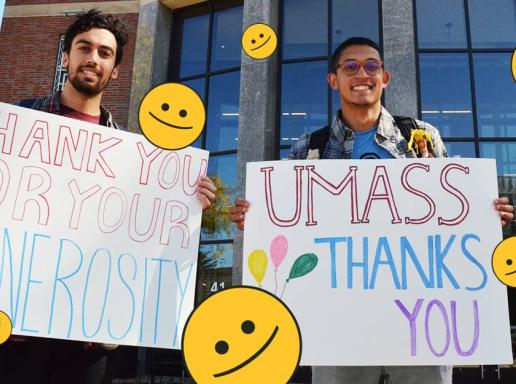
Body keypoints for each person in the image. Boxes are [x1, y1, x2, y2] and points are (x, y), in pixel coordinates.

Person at [230, 37, 514, 384]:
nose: (361, 73)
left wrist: (485, 214)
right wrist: (256, 219)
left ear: (386, 77)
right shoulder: (310, 148)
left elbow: (454, 213)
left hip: (417, 327)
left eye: (371, 65)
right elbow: (288, 222)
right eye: (350, 66)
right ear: (333, 80)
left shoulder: (421, 137)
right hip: (336, 330)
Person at [0, 9, 216, 384]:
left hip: (86, 340)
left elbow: (137, 241)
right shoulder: (17, 123)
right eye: (84, 48)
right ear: (66, 57)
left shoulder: (131, 155)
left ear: (115, 70)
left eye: (105, 53)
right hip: (13, 329)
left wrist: (190, 201)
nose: (93, 59)